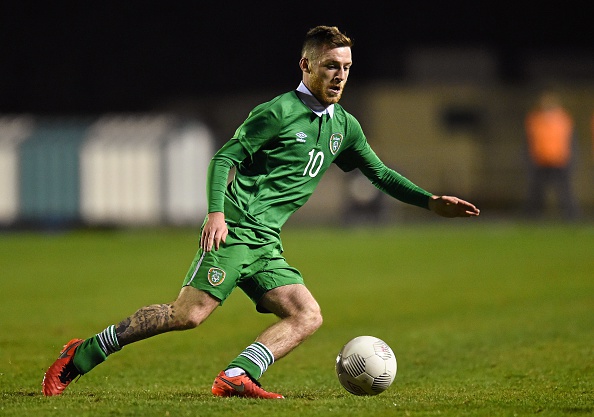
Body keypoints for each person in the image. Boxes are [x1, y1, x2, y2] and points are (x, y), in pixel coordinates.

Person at [42, 25, 480, 399]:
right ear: (306, 66)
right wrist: (216, 213)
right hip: (235, 229)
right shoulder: (278, 112)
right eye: (331, 65)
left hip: (267, 241)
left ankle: (238, 374)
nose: (340, 74)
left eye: (346, 67)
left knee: (307, 314)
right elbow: (222, 159)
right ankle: (81, 353)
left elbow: (379, 173)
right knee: (187, 316)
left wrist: (429, 201)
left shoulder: (344, 126)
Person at [524, 91, 579, 220]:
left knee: (565, 192)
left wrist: (570, 159)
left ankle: (572, 217)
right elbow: (529, 141)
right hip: (540, 160)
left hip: (559, 160)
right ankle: (531, 217)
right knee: (536, 192)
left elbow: (571, 140)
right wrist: (530, 159)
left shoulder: (564, 118)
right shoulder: (535, 118)